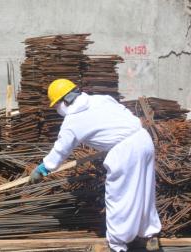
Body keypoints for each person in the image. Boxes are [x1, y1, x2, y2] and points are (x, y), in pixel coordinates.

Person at [29, 79, 162, 252]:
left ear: (64, 101)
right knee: (144, 190)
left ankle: (117, 245)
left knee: (119, 197)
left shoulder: (73, 122)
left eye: (56, 106)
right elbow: (121, 115)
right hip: (143, 140)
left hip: (124, 152)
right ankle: (150, 235)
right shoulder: (101, 99)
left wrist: (44, 168)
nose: (56, 110)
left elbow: (60, 150)